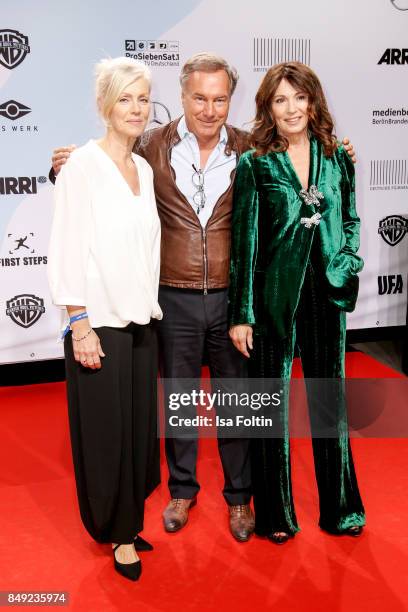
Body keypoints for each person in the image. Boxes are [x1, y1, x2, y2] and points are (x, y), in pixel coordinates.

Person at [50, 53, 356, 543]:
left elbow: (301, 161)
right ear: (182, 96)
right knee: (179, 399)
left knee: (238, 401)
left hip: (234, 299)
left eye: (219, 99)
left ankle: (240, 498)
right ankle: (182, 489)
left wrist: (340, 151)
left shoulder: (252, 148)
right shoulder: (150, 144)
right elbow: (104, 174)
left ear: (230, 101)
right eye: (199, 98)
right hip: (174, 294)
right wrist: (63, 165)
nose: (209, 109)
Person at [228, 61, 365, 543]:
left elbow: (350, 219)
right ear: (268, 107)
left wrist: (345, 263)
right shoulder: (255, 163)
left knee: (331, 404)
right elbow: (244, 244)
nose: (291, 109)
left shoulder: (337, 155)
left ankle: (342, 509)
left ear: (313, 101)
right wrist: (241, 314)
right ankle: (276, 516)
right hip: (273, 299)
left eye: (299, 98)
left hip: (325, 294)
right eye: (280, 100)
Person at [48, 57, 162, 580]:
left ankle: (129, 519)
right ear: (104, 105)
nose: (136, 108)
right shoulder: (82, 166)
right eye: (125, 98)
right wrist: (80, 323)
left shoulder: (142, 168)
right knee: (106, 436)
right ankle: (118, 536)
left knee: (137, 433)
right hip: (100, 325)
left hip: (141, 321)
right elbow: (68, 246)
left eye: (142, 98)